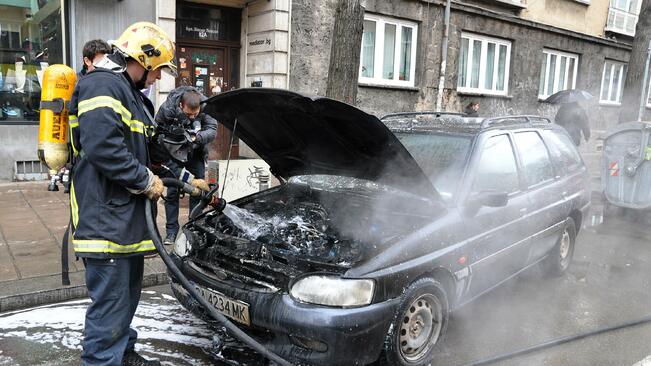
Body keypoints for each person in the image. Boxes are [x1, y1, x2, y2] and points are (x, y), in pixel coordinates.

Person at [68, 22, 202, 366]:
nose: (158, 78)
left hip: (124, 222)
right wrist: (144, 180)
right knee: (110, 308)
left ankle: (123, 355)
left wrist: (187, 178)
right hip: (104, 222)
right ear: (142, 60)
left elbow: (151, 154)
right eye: (157, 70)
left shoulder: (133, 97)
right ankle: (103, 361)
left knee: (125, 301)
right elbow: (103, 148)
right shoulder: (101, 84)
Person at [155, 86, 217, 245]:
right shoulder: (168, 108)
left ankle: (193, 228)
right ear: (181, 106)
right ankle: (171, 232)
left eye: (195, 115)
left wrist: (198, 137)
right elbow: (156, 129)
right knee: (172, 193)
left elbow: (212, 130)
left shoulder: (206, 106)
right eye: (188, 114)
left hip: (195, 154)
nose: (191, 118)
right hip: (173, 155)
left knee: (197, 192)